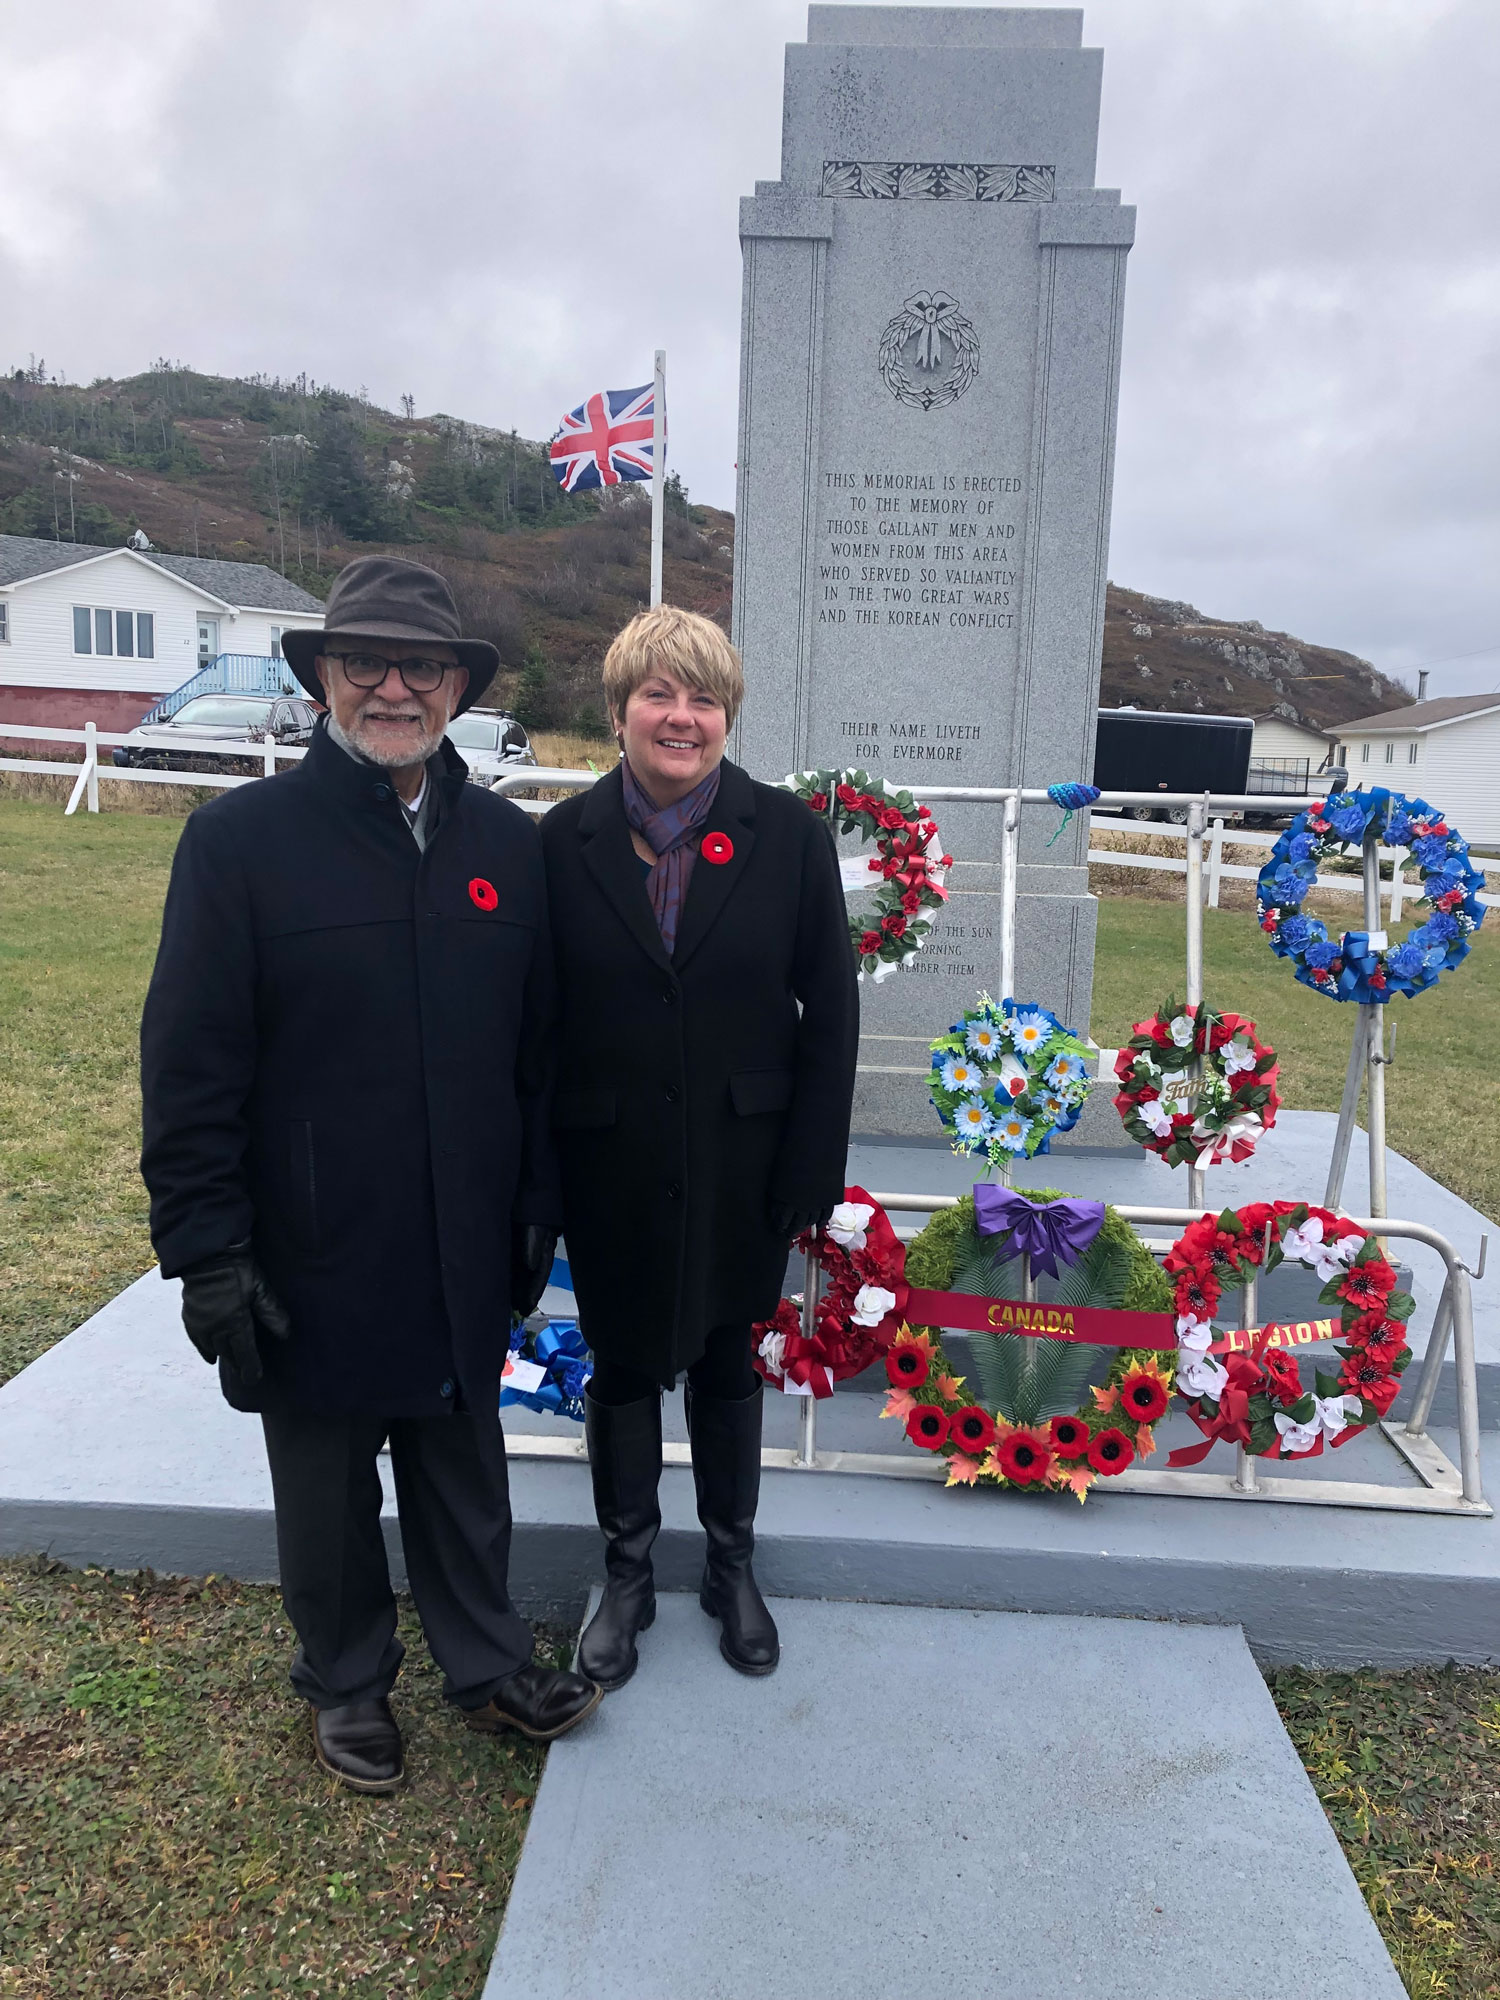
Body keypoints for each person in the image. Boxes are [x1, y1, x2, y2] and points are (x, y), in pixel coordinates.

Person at [140, 555, 600, 1794]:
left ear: (456, 685)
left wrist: (535, 1209)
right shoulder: (237, 846)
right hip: (309, 1239)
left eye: (423, 665)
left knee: (464, 1463)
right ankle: (346, 1679)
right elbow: (188, 1067)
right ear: (326, 677)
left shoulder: (513, 846)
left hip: (462, 1234)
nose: (394, 686)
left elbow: (540, 1057)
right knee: (329, 1483)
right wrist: (209, 1248)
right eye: (367, 662)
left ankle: (487, 1659)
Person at [541, 605, 859, 1687]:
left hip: (742, 1162)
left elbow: (832, 1009)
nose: (682, 717)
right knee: (625, 1367)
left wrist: (812, 1165)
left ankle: (731, 1563)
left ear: (728, 714)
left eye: (704, 698)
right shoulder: (560, 841)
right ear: (619, 708)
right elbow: (535, 1024)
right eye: (659, 695)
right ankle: (627, 1573)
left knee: (726, 1361)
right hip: (611, 1162)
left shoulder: (789, 837)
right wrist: (539, 1178)